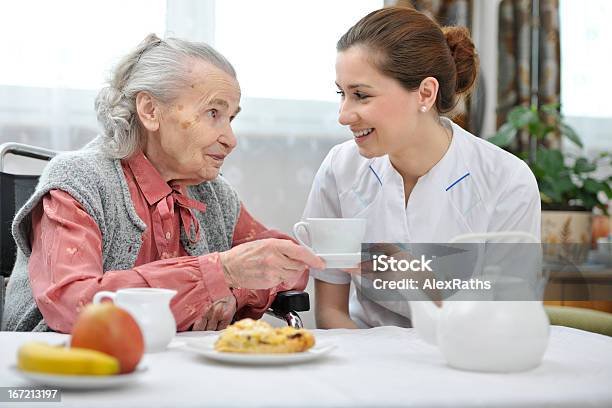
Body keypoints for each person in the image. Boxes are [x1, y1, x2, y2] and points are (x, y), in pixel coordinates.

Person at [3, 34, 325, 333]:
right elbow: (75, 303)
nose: (230, 139)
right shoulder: (79, 182)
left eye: (231, 118)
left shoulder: (212, 193)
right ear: (150, 110)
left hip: (169, 373)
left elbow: (292, 265)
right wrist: (218, 273)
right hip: (64, 372)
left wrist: (233, 289)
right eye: (213, 112)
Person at [301, 6, 541, 329]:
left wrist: (415, 274)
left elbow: (508, 316)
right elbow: (332, 313)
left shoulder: (508, 182)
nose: (343, 114)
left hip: (465, 359)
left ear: (425, 93)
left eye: (360, 95)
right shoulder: (340, 169)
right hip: (363, 358)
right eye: (341, 94)